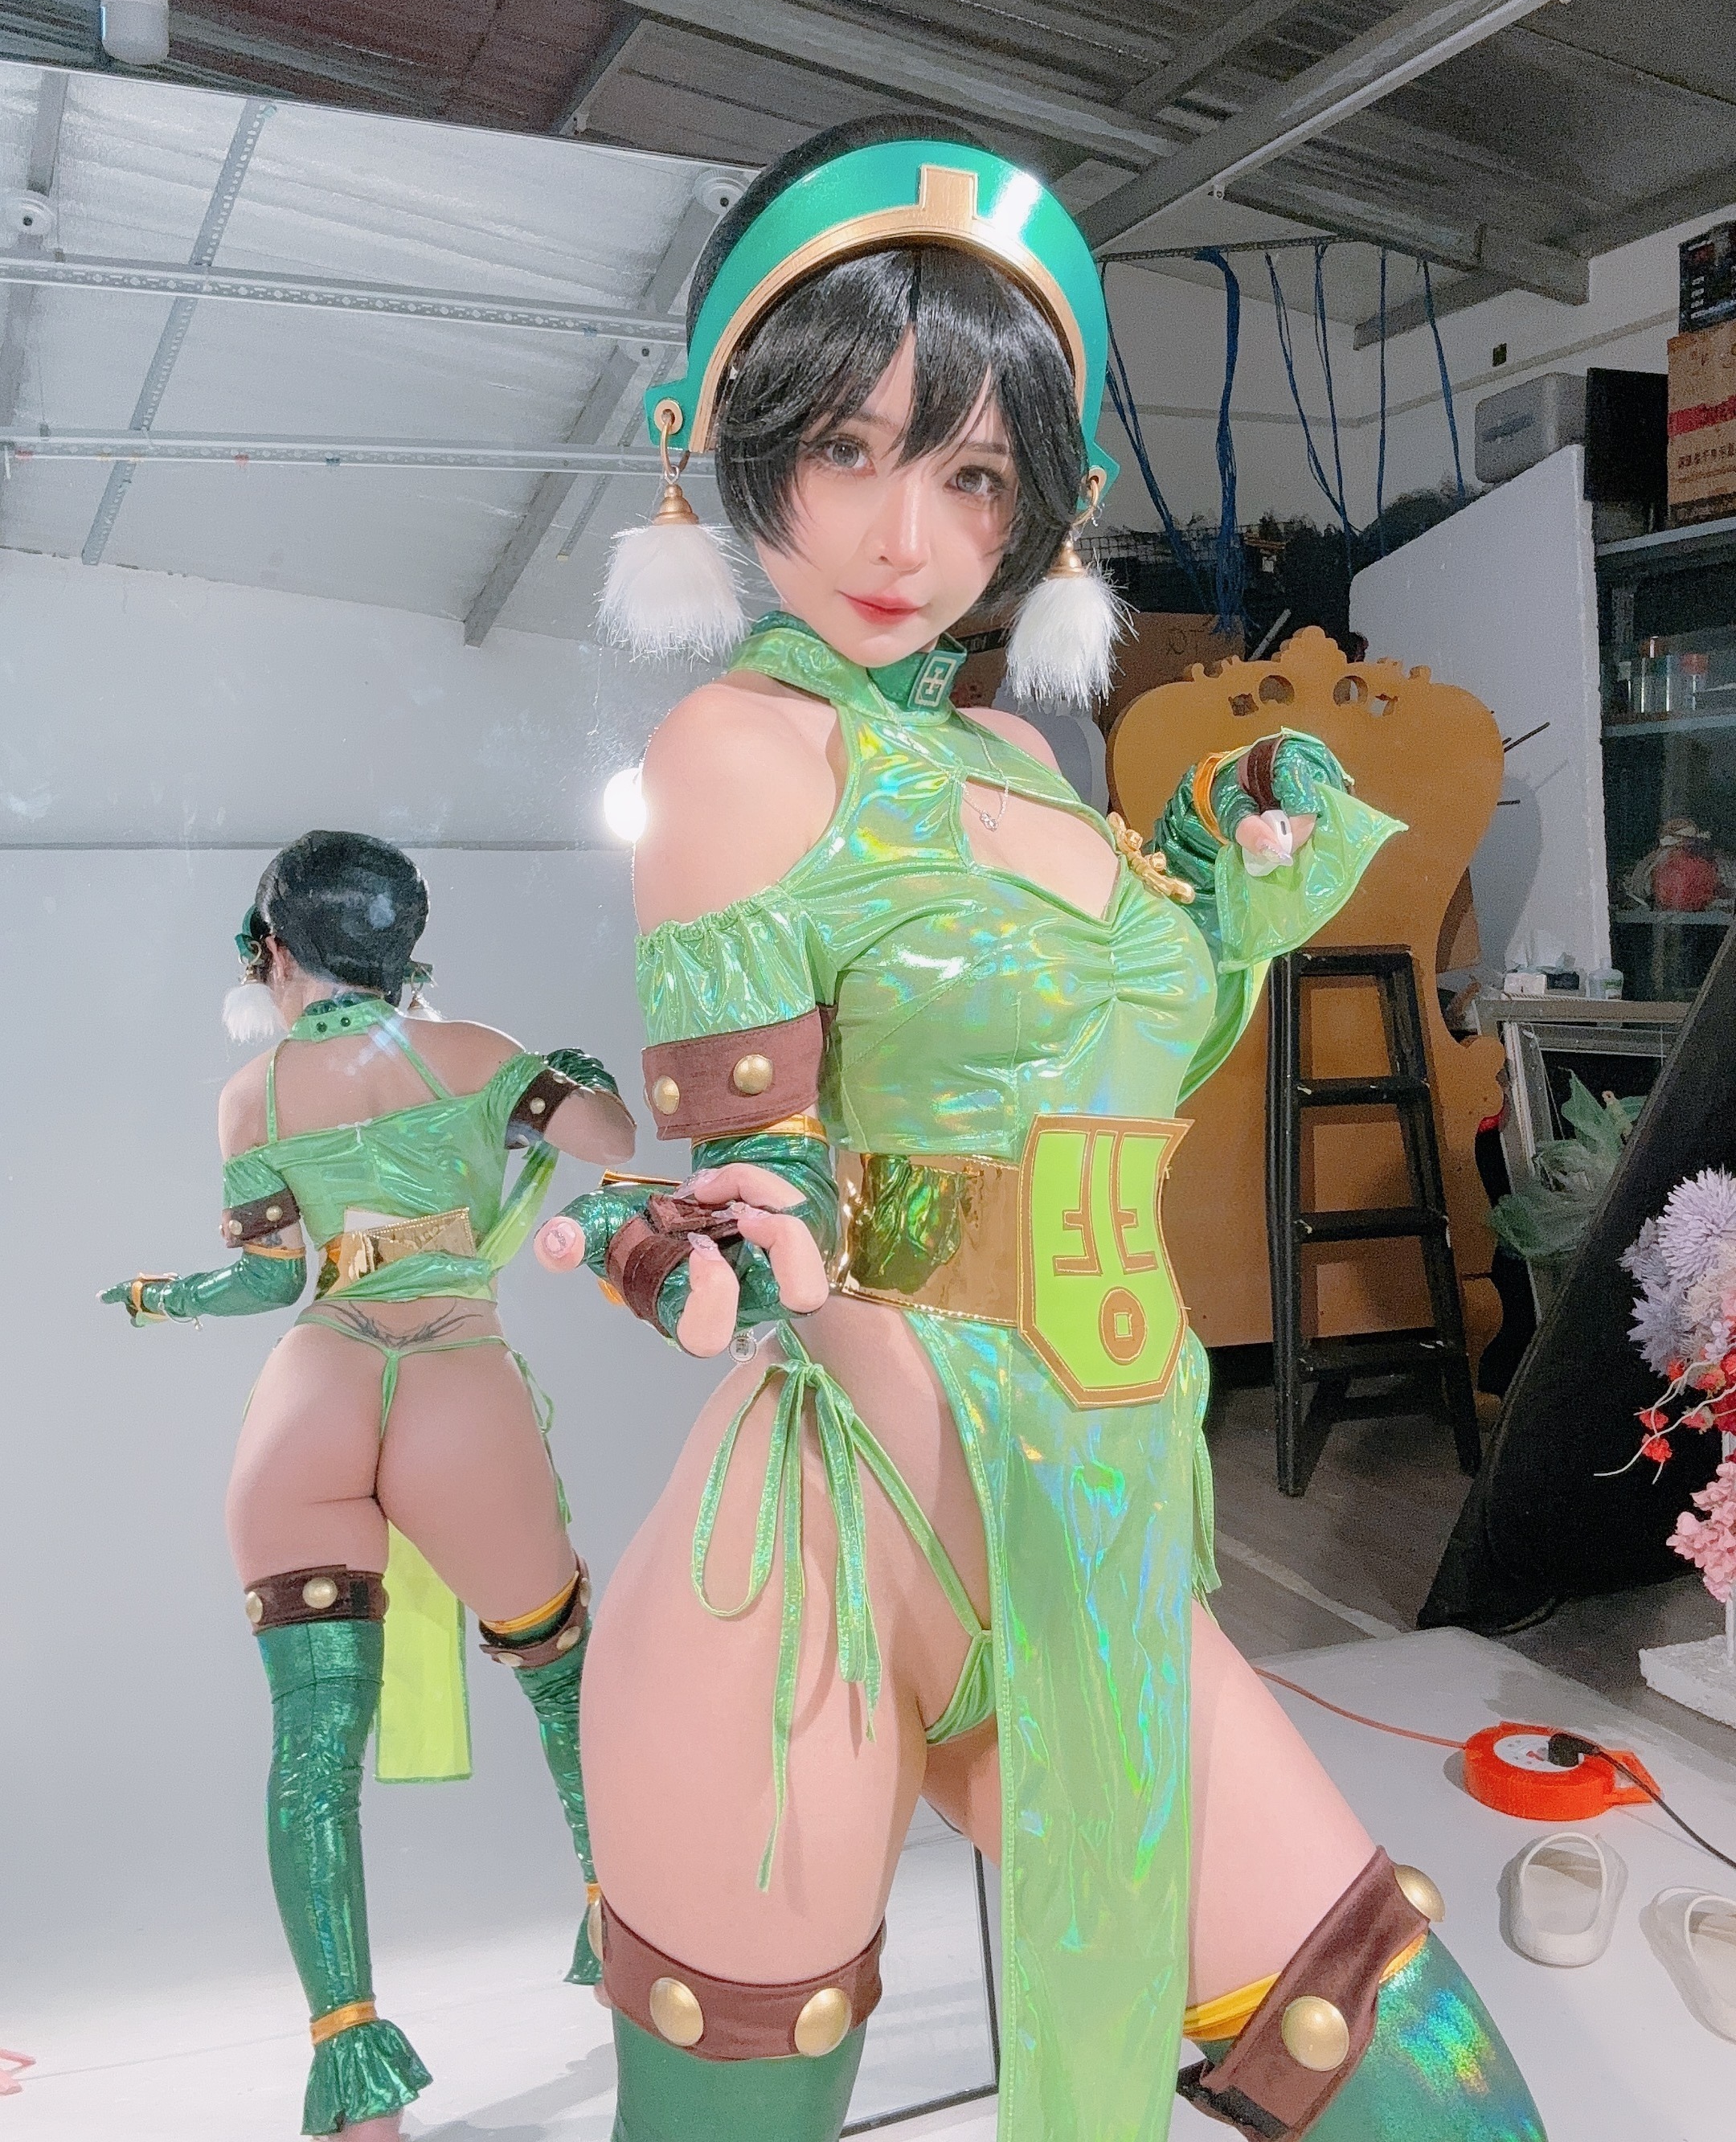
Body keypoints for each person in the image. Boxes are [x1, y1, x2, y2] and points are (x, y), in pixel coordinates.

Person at [538, 118, 1547, 2142]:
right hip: (837, 1542)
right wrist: (718, 1256)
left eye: (974, 475)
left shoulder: (1013, 745)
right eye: (849, 447)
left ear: (1039, 507)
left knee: (1437, 2094)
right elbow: (770, 1182)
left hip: (1100, 1522)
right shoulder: (738, 751)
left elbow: (1109, 1085)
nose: (903, 534)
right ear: (738, 440)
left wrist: (1227, 895)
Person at [104, 829, 636, 2140]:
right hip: (455, 1381)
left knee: (310, 1754)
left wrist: (159, 1299)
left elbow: (265, 1284)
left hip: (312, 1400)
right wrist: (576, 1074)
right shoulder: (475, 1054)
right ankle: (629, 1954)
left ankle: (354, 2087)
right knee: (568, 1682)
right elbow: (614, 1136)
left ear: (275, 949)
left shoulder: (253, 1095)